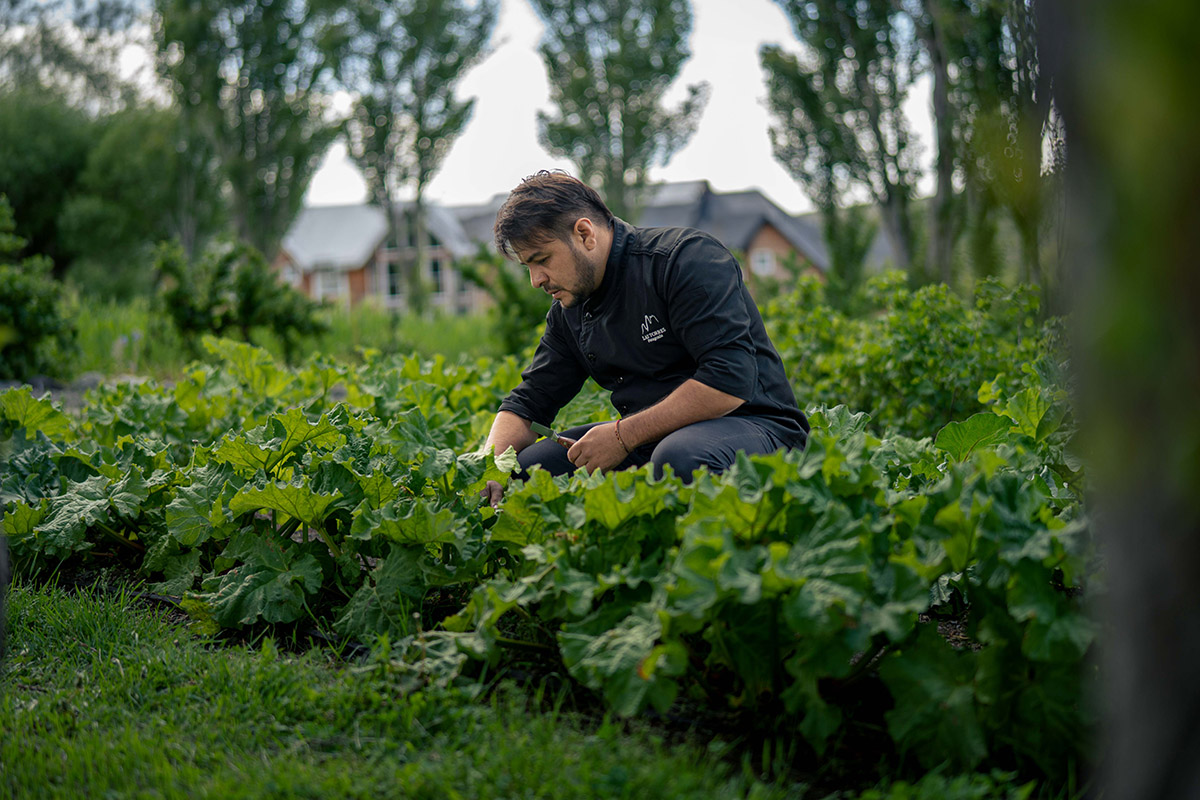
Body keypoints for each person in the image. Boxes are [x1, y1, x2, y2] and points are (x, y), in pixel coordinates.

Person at [480, 170, 808, 506]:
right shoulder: (570, 309)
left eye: (542, 260)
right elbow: (529, 402)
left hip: (753, 425)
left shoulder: (684, 260)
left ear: (584, 233)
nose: (536, 280)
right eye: (527, 267)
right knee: (524, 472)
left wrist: (623, 436)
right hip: (650, 439)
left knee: (679, 456)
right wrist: (490, 466)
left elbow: (728, 381)